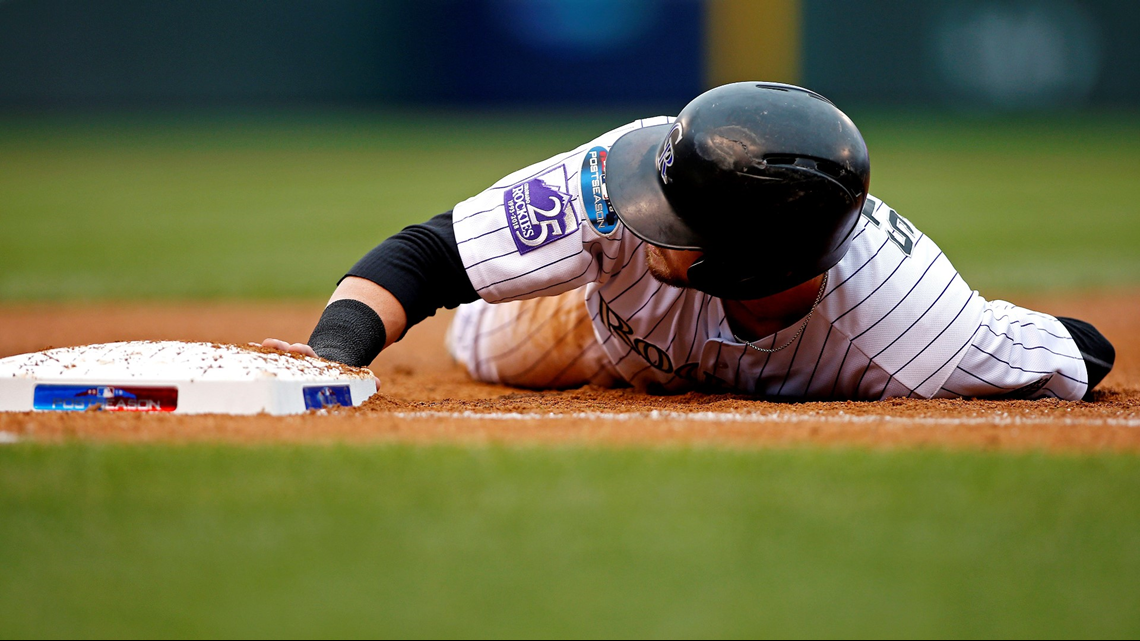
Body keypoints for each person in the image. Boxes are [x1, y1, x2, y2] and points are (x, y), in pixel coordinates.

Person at [264, 82, 1114, 401]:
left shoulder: (921, 332)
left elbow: (1080, 353)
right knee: (479, 343)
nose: (640, 207)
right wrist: (332, 358)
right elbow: (432, 252)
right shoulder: (625, 176)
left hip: (829, 329)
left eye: (670, 221)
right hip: (594, 327)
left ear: (749, 262)